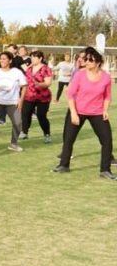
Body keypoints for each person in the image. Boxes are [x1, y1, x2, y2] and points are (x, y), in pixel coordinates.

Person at [53, 47, 115, 180]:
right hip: (77, 110)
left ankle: (105, 170)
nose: (86, 62)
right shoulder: (80, 74)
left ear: (98, 62)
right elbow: (70, 94)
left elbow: (107, 96)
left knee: (107, 140)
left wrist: (105, 110)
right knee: (69, 139)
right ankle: (64, 165)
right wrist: (74, 113)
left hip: (97, 112)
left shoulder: (106, 77)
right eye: (85, 59)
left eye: (90, 60)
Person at [21, 50, 53, 143]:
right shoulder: (29, 69)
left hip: (43, 97)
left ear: (40, 58)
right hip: (29, 95)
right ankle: (24, 132)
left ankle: (47, 134)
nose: (32, 59)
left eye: (35, 57)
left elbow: (48, 83)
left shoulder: (46, 69)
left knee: (41, 116)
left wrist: (38, 84)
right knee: (25, 113)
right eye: (31, 57)